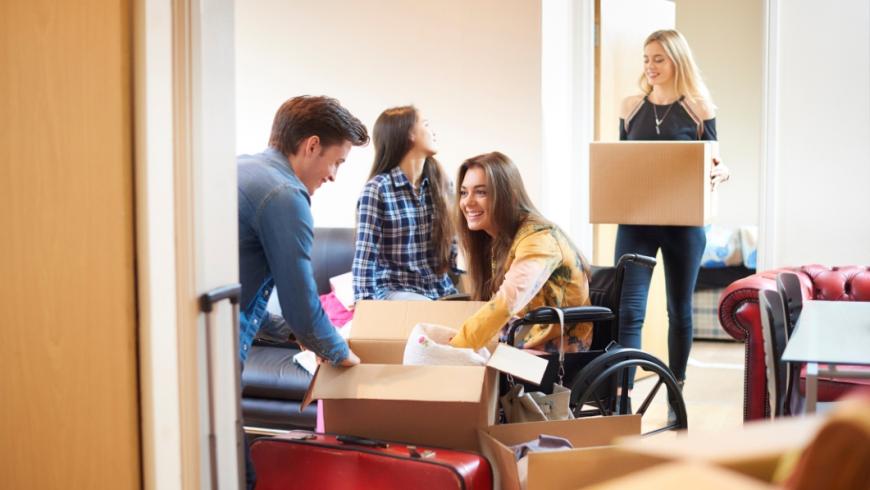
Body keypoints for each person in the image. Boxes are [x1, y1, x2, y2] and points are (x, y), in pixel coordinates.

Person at [236, 95, 368, 486]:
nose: (334, 176)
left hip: (193, 342)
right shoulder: (285, 196)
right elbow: (302, 307)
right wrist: (341, 353)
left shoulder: (243, 168)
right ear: (311, 145)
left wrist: (291, 333)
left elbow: (241, 293)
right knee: (239, 473)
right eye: (337, 162)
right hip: (216, 349)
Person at [615, 30, 730, 405]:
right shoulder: (631, 107)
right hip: (636, 222)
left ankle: (675, 390)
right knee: (628, 310)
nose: (650, 66)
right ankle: (623, 395)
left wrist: (722, 170)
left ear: (677, 60)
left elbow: (714, 160)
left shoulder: (698, 108)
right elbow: (621, 163)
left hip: (684, 225)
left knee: (678, 310)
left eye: (659, 59)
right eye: (646, 59)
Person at [448, 152, 593, 353]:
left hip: (557, 354)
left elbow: (506, 302)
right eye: (464, 193)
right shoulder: (502, 238)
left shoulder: (539, 239)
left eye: (481, 192)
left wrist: (456, 347)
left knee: (451, 361)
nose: (467, 202)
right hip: (522, 345)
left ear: (510, 196)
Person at [352, 106, 459, 302]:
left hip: (440, 291)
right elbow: (365, 259)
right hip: (396, 291)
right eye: (426, 124)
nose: (434, 132)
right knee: (429, 310)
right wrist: (365, 307)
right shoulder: (377, 189)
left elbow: (454, 252)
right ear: (409, 134)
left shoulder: (443, 184)